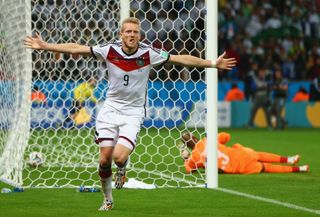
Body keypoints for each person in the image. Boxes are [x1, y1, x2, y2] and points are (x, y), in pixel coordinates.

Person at [24, 17, 237, 211]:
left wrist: (211, 63)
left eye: (135, 32)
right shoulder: (108, 50)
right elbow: (76, 48)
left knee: (119, 157)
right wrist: (44, 46)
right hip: (110, 109)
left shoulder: (148, 53)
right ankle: (107, 198)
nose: (132, 35)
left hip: (133, 112)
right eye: (128, 32)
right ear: (121, 34)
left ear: (140, 35)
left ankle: (122, 167)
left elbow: (180, 59)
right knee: (104, 159)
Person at [179, 131, 309, 174]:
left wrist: (185, 158)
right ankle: (289, 159)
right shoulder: (208, 139)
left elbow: (190, 170)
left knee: (265, 167)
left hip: (238, 168)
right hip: (240, 154)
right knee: (259, 155)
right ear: (195, 137)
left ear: (188, 146)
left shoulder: (194, 157)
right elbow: (226, 136)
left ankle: (300, 168)